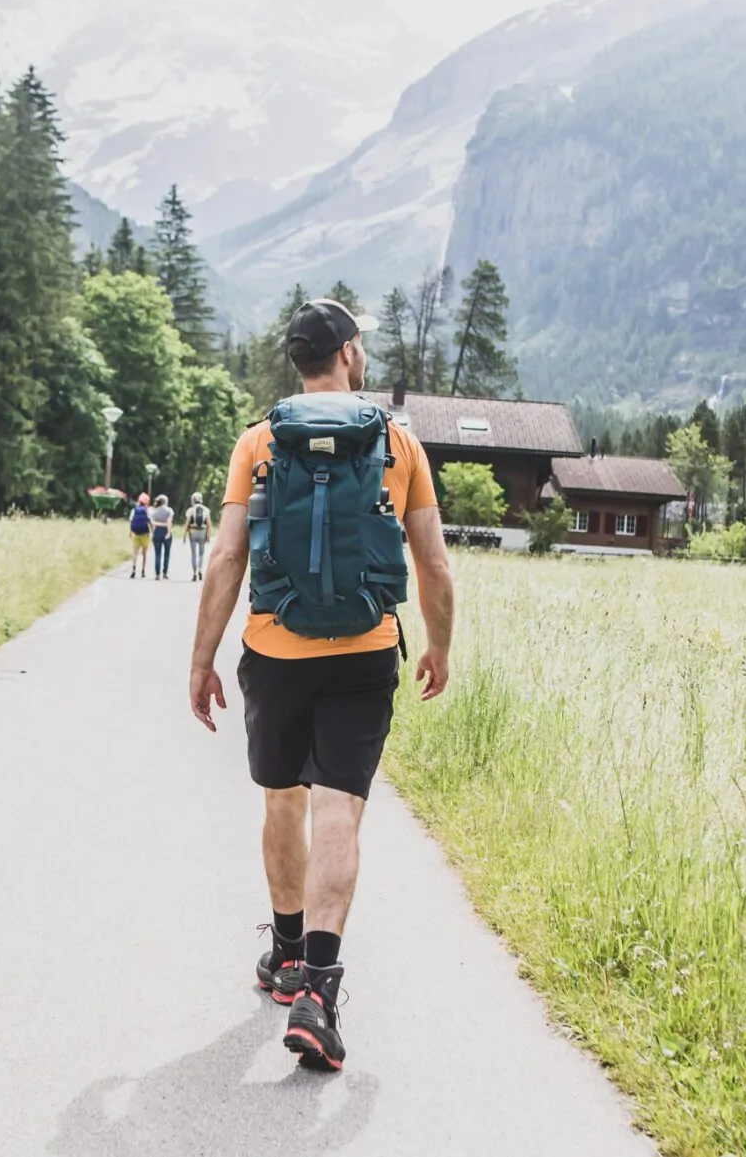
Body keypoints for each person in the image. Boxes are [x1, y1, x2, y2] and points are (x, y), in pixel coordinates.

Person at [190, 298, 455, 1073]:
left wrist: (201, 658)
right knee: (340, 810)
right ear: (346, 354)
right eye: (361, 343)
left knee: (283, 801)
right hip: (364, 650)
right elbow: (434, 563)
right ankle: (320, 994)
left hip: (275, 649)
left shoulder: (258, 441)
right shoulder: (398, 442)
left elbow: (226, 558)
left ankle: (285, 954)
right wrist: (438, 642)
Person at [184, 493, 212, 582]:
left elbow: (187, 524)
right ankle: (200, 569)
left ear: (193, 500)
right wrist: (208, 536)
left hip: (193, 532)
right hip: (202, 532)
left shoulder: (190, 510)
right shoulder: (206, 510)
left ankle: (194, 572)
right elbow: (209, 524)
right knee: (201, 553)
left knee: (193, 554)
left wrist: (184, 535)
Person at [150, 494, 175, 580]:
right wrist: (168, 532)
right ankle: (165, 573)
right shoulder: (169, 510)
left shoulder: (154, 511)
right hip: (166, 532)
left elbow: (152, 524)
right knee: (166, 554)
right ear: (165, 502)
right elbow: (169, 522)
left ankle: (157, 574)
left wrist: (155, 530)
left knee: (157, 554)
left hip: (157, 532)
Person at [129, 493, 152, 578]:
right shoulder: (147, 510)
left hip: (136, 533)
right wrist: (152, 531)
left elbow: (131, 521)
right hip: (145, 534)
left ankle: (134, 569)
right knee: (144, 553)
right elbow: (150, 521)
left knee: (135, 553)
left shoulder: (134, 510)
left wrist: (130, 532)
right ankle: (143, 571)